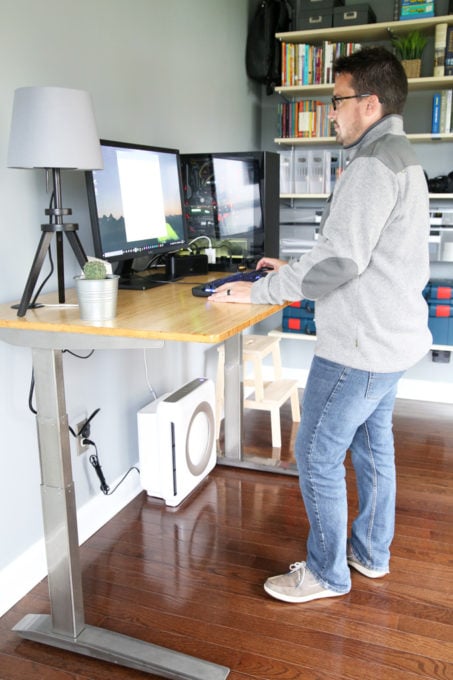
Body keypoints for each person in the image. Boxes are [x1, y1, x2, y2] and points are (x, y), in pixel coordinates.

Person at [209, 46, 432, 603]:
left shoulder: (372, 166)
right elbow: (364, 255)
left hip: (358, 346)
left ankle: (327, 573)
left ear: (370, 103)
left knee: (314, 453)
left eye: (337, 101)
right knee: (374, 447)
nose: (331, 113)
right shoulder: (403, 156)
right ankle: (369, 554)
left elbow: (339, 262)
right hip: (392, 341)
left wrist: (256, 292)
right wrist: (291, 270)